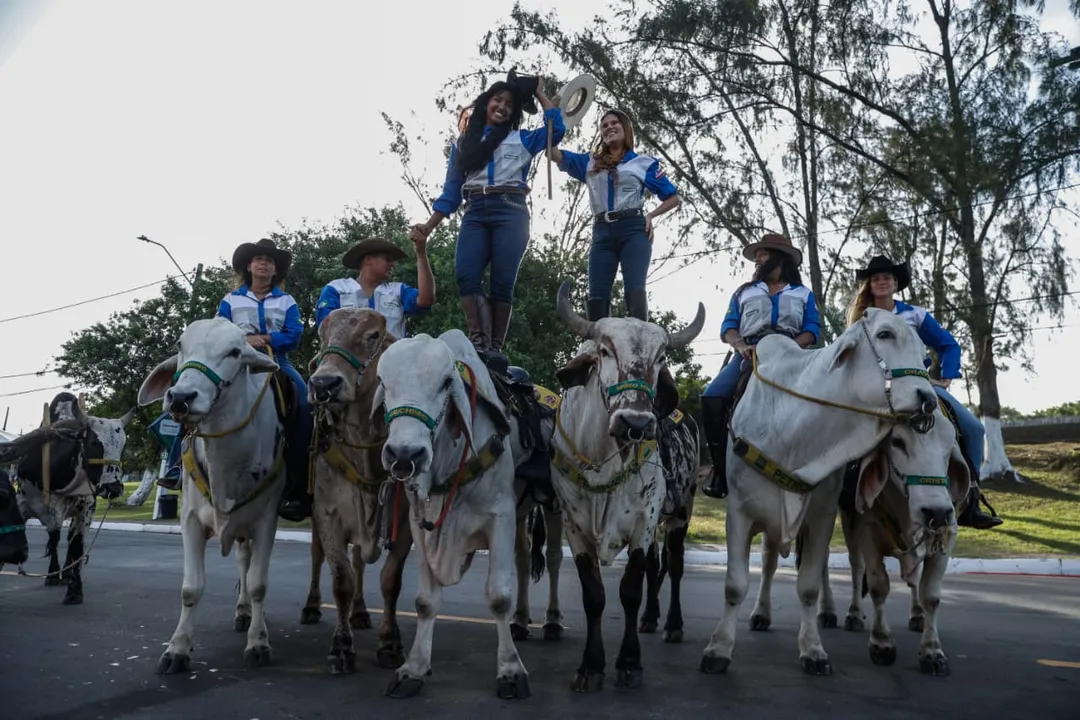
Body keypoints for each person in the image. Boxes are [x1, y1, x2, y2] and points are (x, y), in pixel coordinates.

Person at [408, 69, 565, 375]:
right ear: (486, 102)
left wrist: (541, 94)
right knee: (465, 274)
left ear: (513, 113)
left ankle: (494, 350)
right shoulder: (464, 144)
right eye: (498, 99)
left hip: (511, 209)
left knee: (502, 282)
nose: (502, 107)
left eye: (509, 104)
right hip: (475, 211)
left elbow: (555, 130)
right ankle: (478, 343)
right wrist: (429, 225)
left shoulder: (523, 139)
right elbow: (451, 192)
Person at [156, 238, 313, 523]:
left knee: (304, 404)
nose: (264, 263)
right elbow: (218, 331)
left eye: (269, 260)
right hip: (234, 362)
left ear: (275, 270)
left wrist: (264, 339)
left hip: (278, 362)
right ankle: (177, 467)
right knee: (194, 396)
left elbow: (294, 335)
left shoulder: (286, 301)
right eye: (258, 259)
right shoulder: (230, 300)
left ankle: (298, 485)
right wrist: (242, 342)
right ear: (249, 266)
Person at [847, 254, 1002, 529]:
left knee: (973, 429)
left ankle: (971, 500)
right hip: (873, 390)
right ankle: (842, 494)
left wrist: (945, 377)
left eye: (887, 278)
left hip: (918, 385)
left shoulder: (914, 314)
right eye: (876, 278)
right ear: (869, 285)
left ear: (896, 283)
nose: (882, 282)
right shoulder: (860, 321)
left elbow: (949, 345)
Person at [699, 233, 820, 499]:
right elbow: (728, 328)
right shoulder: (744, 292)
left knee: (822, 398)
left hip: (791, 352)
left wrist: (792, 347)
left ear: (779, 258)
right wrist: (740, 345)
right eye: (757, 256)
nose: (757, 260)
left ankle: (821, 472)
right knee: (712, 397)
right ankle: (720, 470)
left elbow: (812, 329)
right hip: (749, 353)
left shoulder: (802, 293)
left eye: (762, 255)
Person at [548, 108, 681, 321]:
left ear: (625, 128)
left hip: (633, 230)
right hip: (601, 232)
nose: (609, 127)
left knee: (635, 290)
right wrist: (553, 120)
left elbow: (673, 198)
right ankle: (596, 348)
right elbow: (553, 153)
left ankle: (639, 344)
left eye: (614, 123)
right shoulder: (589, 162)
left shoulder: (643, 163)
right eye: (604, 125)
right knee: (597, 296)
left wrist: (650, 216)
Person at [314, 235, 435, 337]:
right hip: (349, 364)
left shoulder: (398, 290)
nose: (393, 264)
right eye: (387, 259)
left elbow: (425, 300)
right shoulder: (336, 289)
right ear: (368, 260)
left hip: (393, 363)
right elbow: (326, 328)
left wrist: (421, 254)